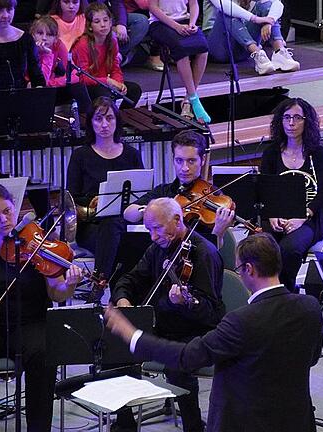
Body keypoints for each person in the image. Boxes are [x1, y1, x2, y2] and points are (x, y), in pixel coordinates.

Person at [105, 232, 323, 431]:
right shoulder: (311, 307)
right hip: (296, 421)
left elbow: (186, 357)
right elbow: (311, 358)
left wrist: (132, 334)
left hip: (244, 423)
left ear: (249, 269)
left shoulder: (241, 321)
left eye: (238, 269)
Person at [0, 183, 81, 431]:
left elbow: (56, 291)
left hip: (30, 322)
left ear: (16, 207)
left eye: (8, 211)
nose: (4, 220)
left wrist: (70, 285)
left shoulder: (38, 242)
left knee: (43, 355)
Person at [111, 197, 224, 432]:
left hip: (193, 330)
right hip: (161, 323)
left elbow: (211, 313)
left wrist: (184, 303)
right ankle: (125, 425)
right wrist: (123, 298)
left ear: (177, 219)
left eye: (157, 228)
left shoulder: (204, 254)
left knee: (176, 362)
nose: (152, 236)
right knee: (117, 350)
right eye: (149, 229)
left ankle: (193, 426)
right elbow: (130, 279)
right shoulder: (158, 247)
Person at [66, 96, 144, 281]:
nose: (104, 124)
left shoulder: (132, 154)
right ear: (91, 123)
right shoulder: (80, 156)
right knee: (113, 230)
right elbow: (71, 198)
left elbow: (142, 193)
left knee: (118, 230)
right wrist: (94, 204)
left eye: (109, 118)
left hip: (126, 221)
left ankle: (101, 284)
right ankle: (109, 286)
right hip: (91, 225)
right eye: (98, 118)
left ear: (117, 121)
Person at [260, 98, 323, 292]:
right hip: (276, 214)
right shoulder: (271, 153)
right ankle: (264, 293)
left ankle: (285, 292)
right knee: (260, 246)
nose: (291, 123)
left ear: (306, 121)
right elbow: (264, 189)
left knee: (289, 249)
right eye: (287, 117)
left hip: (308, 218)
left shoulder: (318, 153)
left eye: (297, 118)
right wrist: (272, 214)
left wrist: (303, 215)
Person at [123, 130, 232, 248]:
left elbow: (212, 251)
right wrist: (149, 211)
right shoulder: (163, 191)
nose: (184, 168)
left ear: (203, 160)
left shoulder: (214, 195)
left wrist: (219, 231)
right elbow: (128, 213)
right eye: (179, 160)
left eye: (191, 161)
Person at [147, 0, 210, 122]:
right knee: (182, 49)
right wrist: (176, 26)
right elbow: (153, 8)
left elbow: (193, 4)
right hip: (161, 23)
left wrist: (192, 23)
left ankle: (188, 98)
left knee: (203, 48)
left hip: (184, 21)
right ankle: (193, 99)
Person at [70, 2, 141, 108]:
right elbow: (83, 78)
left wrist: (119, 83)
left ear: (110, 22)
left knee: (134, 90)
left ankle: (120, 118)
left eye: (106, 20)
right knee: (104, 94)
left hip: (103, 83)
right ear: (90, 26)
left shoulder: (112, 41)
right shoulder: (83, 45)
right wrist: (107, 81)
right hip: (86, 86)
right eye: (97, 21)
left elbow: (115, 68)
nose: (103, 25)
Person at [206, 0, 299, 75]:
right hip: (218, 47)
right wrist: (256, 19)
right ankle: (257, 52)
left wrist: (269, 21)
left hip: (242, 47)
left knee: (266, 6)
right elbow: (223, 5)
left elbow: (277, 4)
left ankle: (279, 52)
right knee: (227, 12)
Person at [30, 15, 92, 115]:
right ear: (33, 35)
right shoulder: (28, 49)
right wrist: (47, 55)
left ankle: (89, 120)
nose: (44, 38)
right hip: (34, 92)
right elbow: (39, 83)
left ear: (55, 38)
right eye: (40, 33)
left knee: (78, 86)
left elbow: (75, 76)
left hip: (51, 87)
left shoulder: (58, 45)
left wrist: (52, 83)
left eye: (49, 35)